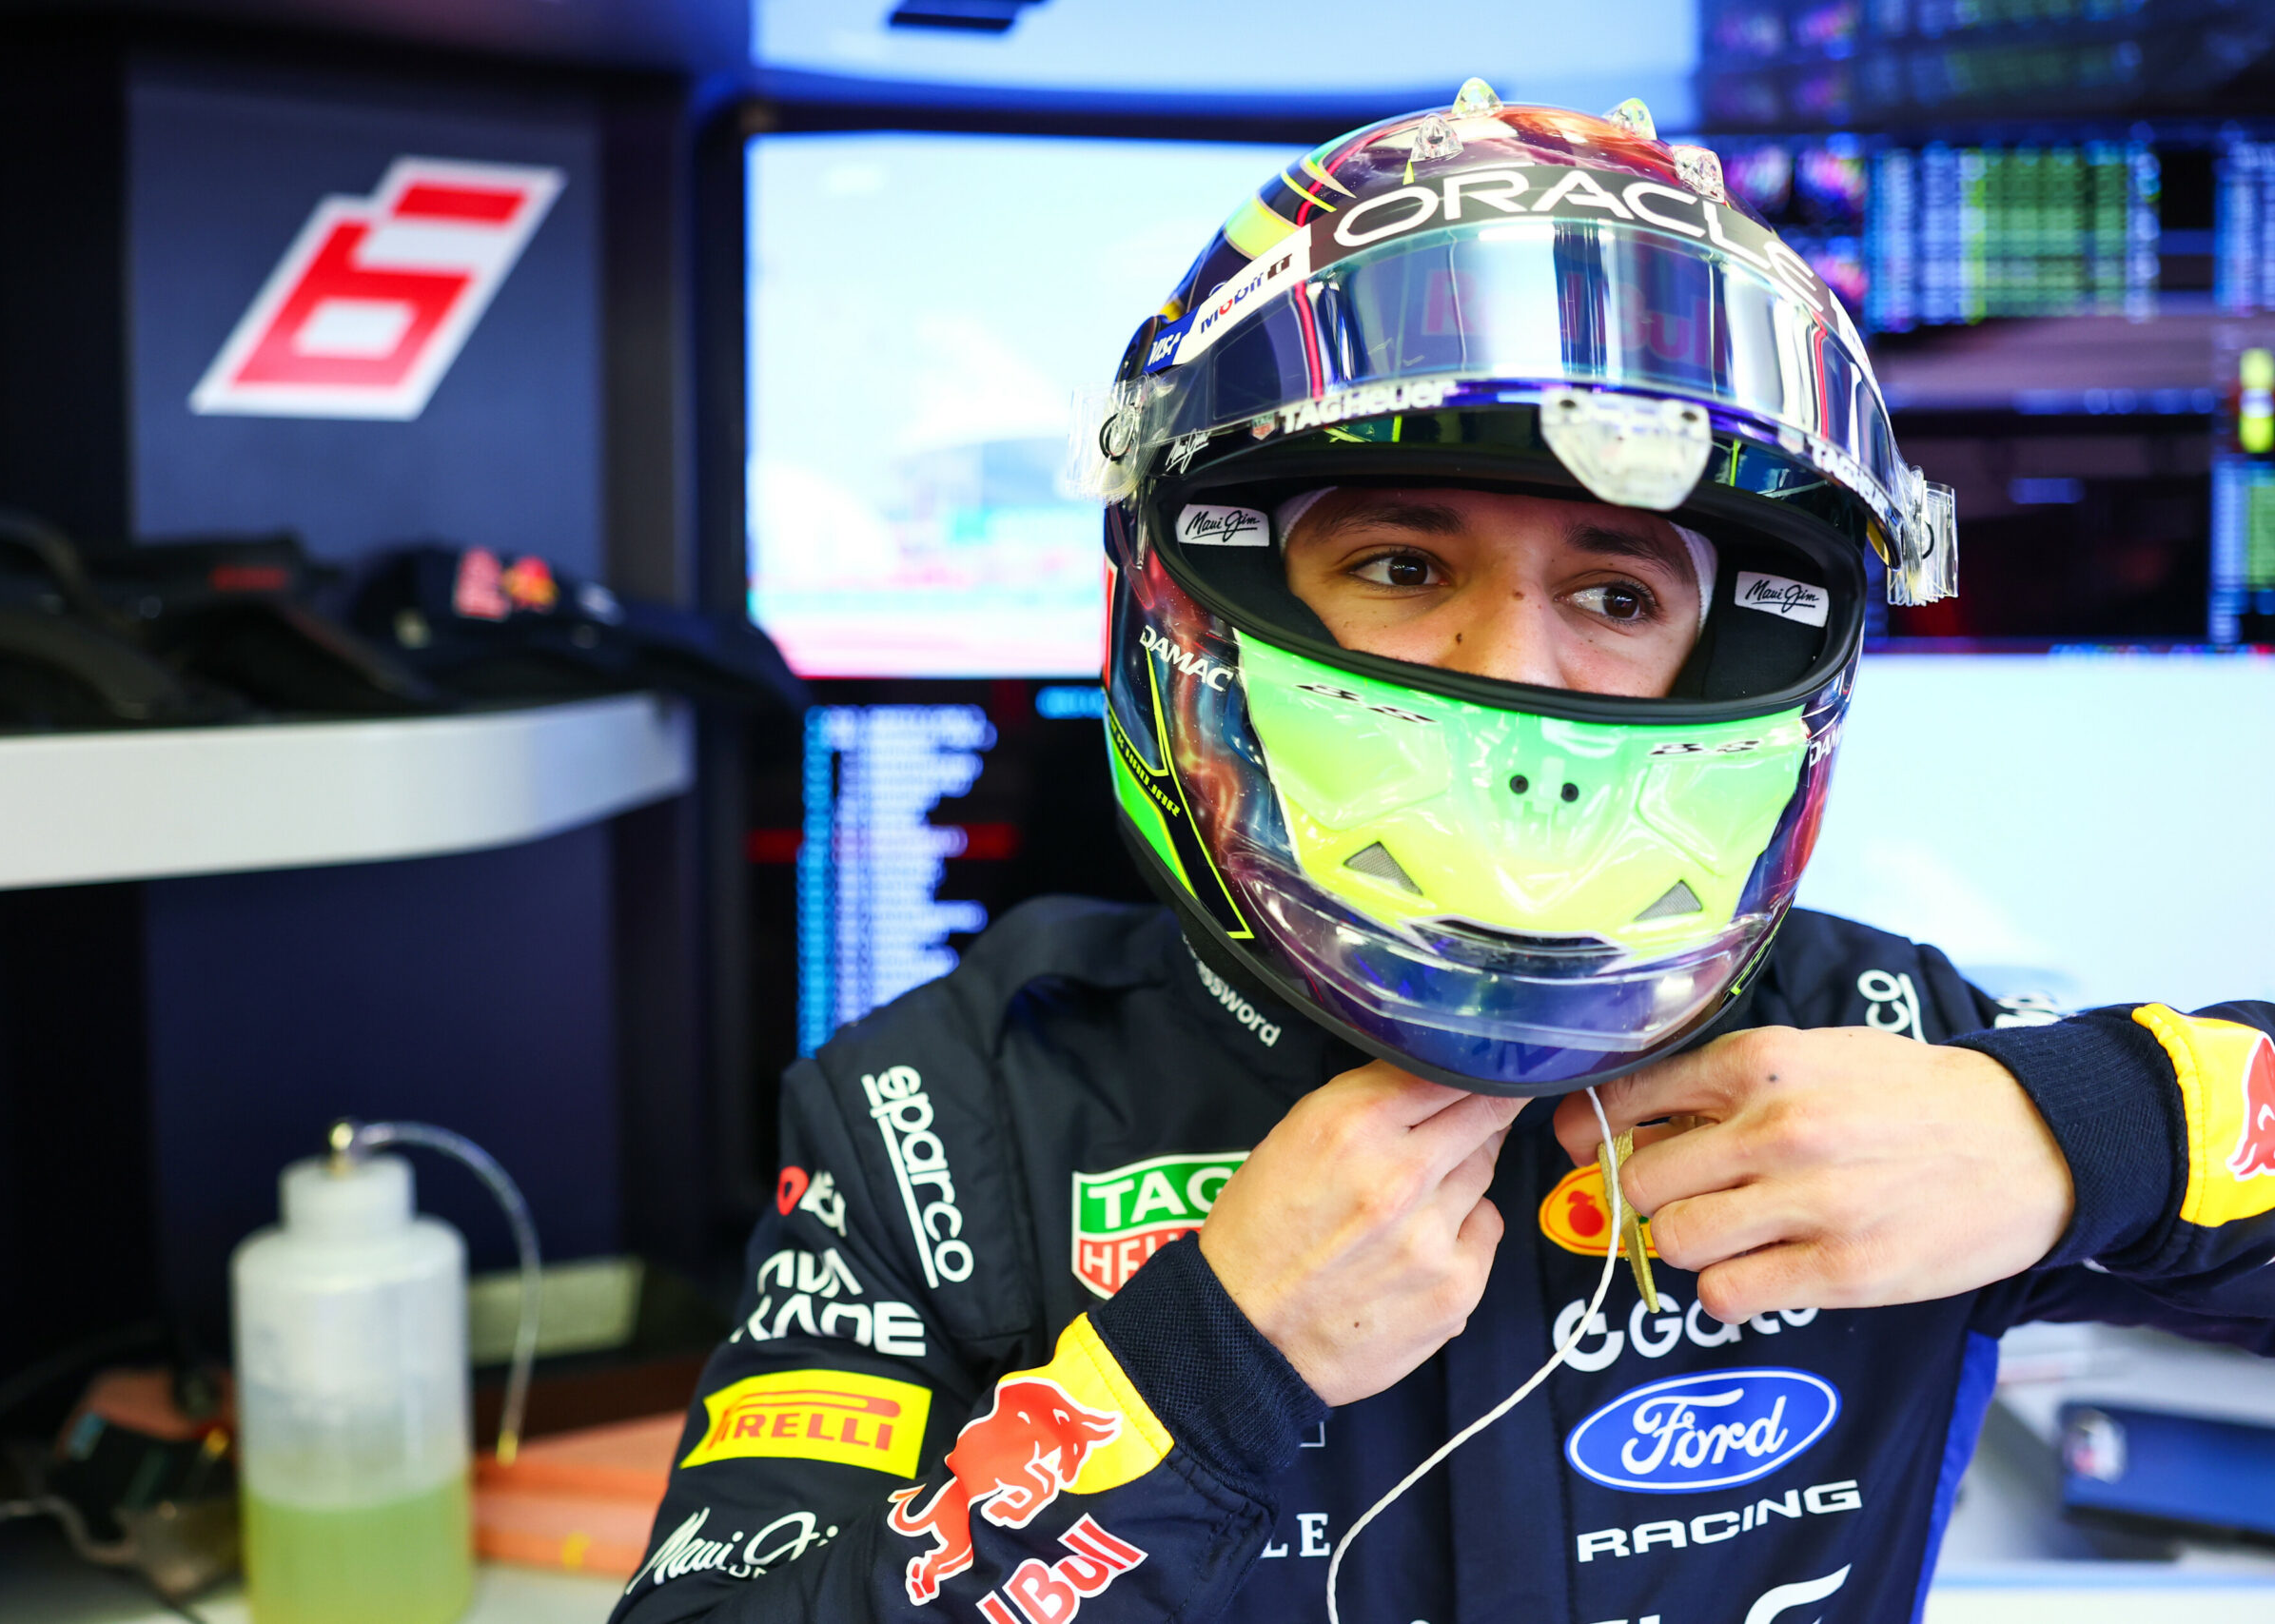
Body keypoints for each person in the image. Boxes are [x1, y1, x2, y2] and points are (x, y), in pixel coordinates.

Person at [610, 88, 2275, 1624]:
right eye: (1404, 566)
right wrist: (1197, 1372)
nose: (1510, 675)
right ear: (1209, 597)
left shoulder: (1879, 1046)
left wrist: (2081, 1136)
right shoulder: (947, 1119)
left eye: (1619, 598)